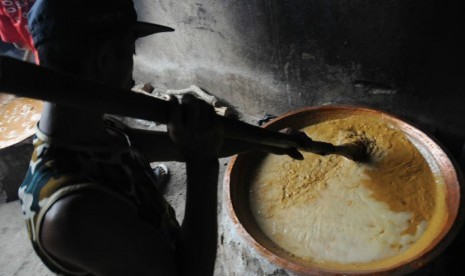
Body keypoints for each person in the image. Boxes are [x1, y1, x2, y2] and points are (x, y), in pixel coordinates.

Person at [18, 0, 302, 275]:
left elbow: (184, 143)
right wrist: (201, 162)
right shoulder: (74, 212)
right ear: (103, 60)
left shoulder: (94, 132)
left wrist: (269, 140)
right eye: (131, 54)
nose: (132, 78)